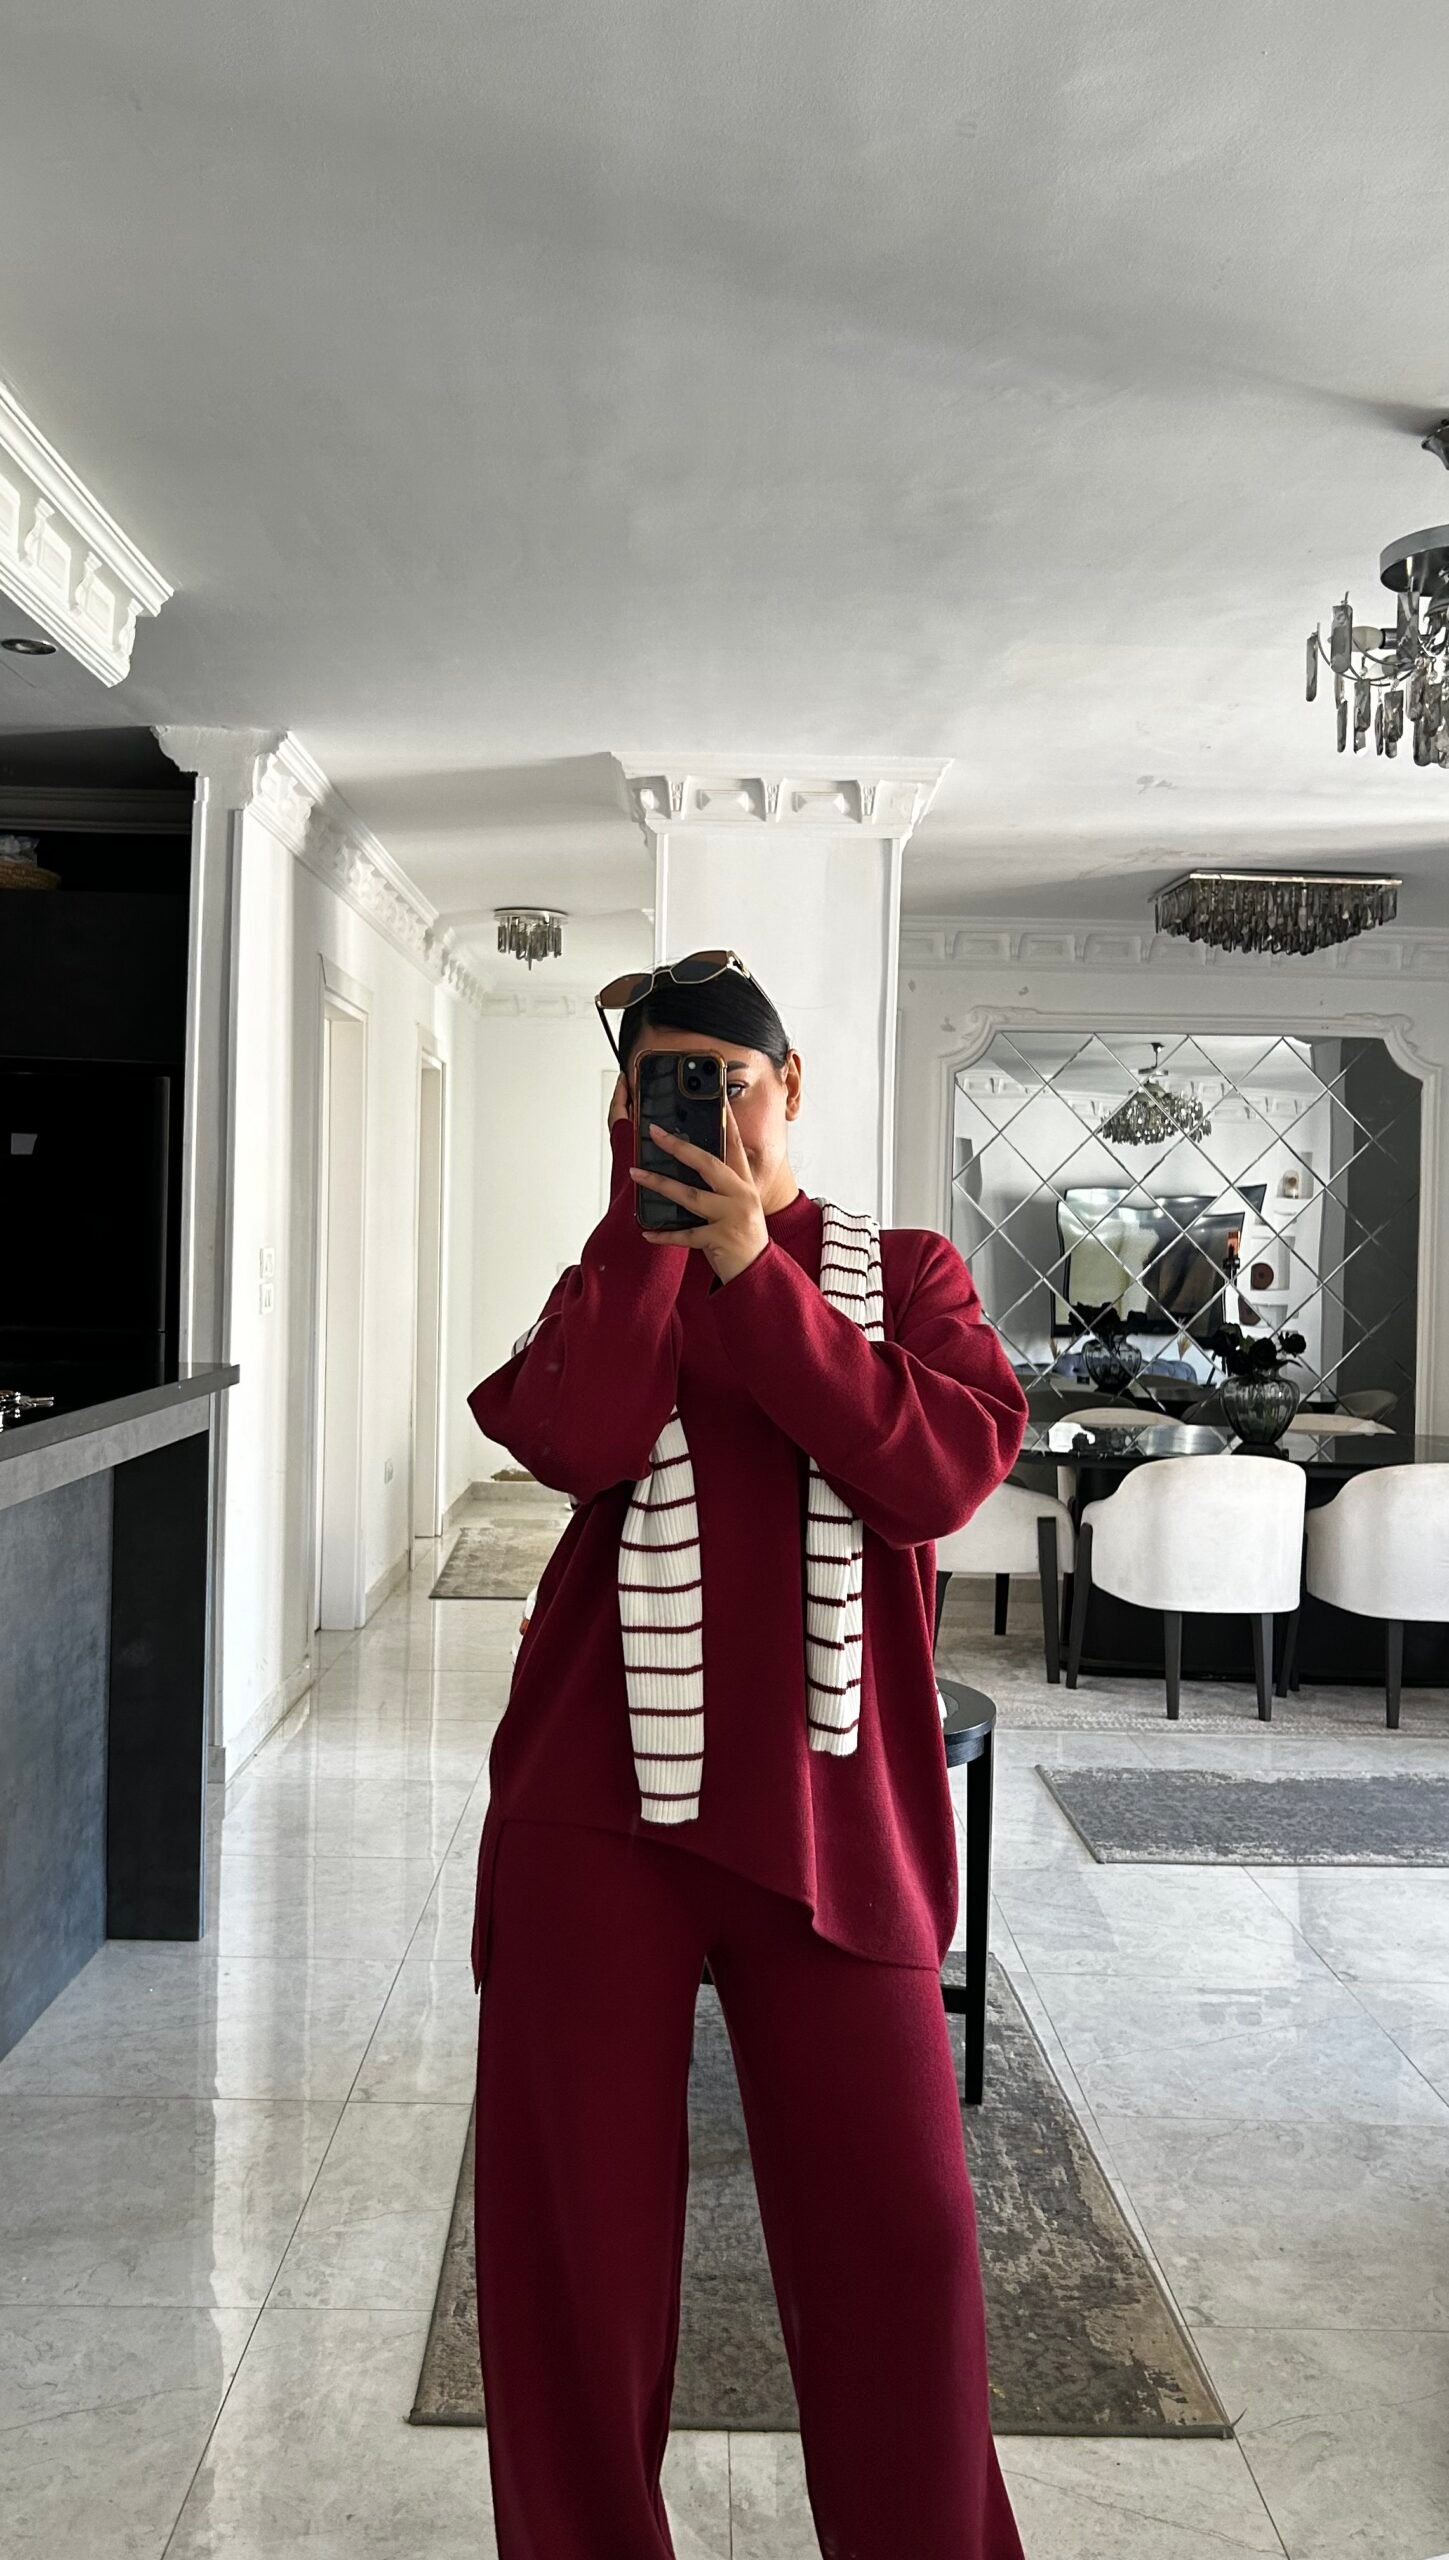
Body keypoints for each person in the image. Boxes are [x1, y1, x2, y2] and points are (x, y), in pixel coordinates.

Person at [466, 951, 1030, 2560]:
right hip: (595, 1810)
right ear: (622, 1107)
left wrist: (748, 1270)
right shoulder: (608, 1277)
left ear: (790, 1089)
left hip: (831, 1815)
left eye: (725, 1079)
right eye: (661, 1083)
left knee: (900, 2243)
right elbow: (569, 1438)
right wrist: (649, 1251)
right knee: (573, 2254)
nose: (701, 1109)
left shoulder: (905, 1275)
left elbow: (933, 1475)